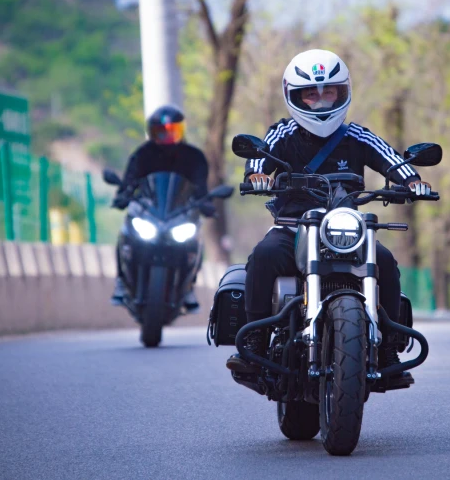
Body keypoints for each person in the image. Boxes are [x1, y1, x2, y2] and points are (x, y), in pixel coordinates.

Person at [226, 49, 432, 389]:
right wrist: (256, 177)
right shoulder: (282, 134)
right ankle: (255, 342)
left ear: (343, 92)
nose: (321, 101)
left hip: (346, 229)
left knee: (384, 261)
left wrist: (413, 182)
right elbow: (259, 160)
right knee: (262, 257)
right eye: (311, 93)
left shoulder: (357, 136)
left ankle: (389, 350)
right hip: (293, 227)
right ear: (294, 96)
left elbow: (391, 159)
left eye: (329, 92)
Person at [110, 105, 210, 313]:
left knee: (196, 240)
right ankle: (121, 281)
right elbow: (129, 181)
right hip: (149, 213)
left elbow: (201, 187)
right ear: (152, 132)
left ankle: (189, 285)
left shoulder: (194, 157)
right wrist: (122, 195)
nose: (167, 137)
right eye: (161, 132)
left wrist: (206, 202)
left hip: (179, 215)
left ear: (181, 131)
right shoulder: (142, 155)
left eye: (173, 131)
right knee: (125, 234)